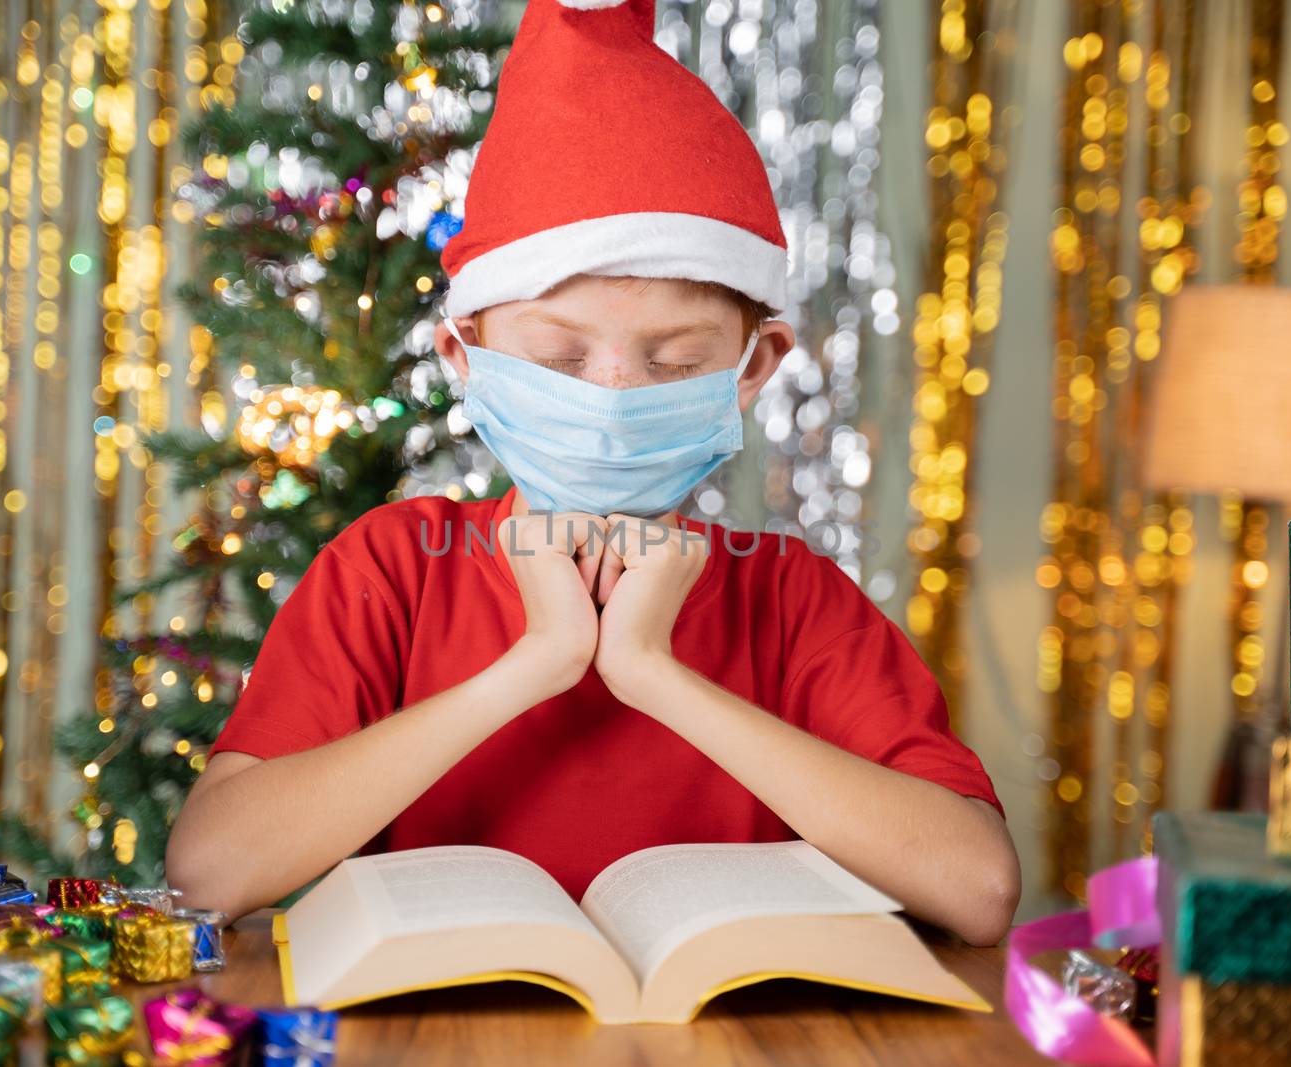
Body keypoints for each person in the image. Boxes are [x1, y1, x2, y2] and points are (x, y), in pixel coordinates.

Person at [165, 0, 1021, 946]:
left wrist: (653, 672)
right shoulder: (391, 573)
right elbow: (209, 870)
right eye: (562, 359)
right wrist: (535, 664)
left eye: (673, 360)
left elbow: (977, 886)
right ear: (465, 357)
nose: (614, 396)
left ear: (755, 367)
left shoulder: (792, 603)